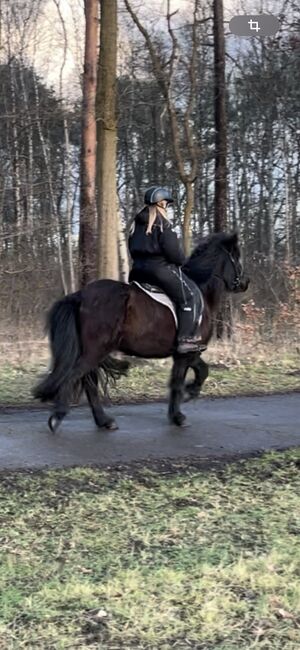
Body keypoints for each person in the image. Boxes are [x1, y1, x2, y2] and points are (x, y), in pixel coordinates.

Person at [128, 185, 203, 354]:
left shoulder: (135, 227)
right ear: (161, 204)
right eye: (166, 204)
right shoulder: (163, 225)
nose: (167, 207)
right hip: (160, 271)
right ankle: (185, 340)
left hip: (137, 271)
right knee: (190, 295)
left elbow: (131, 249)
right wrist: (182, 261)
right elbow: (174, 255)